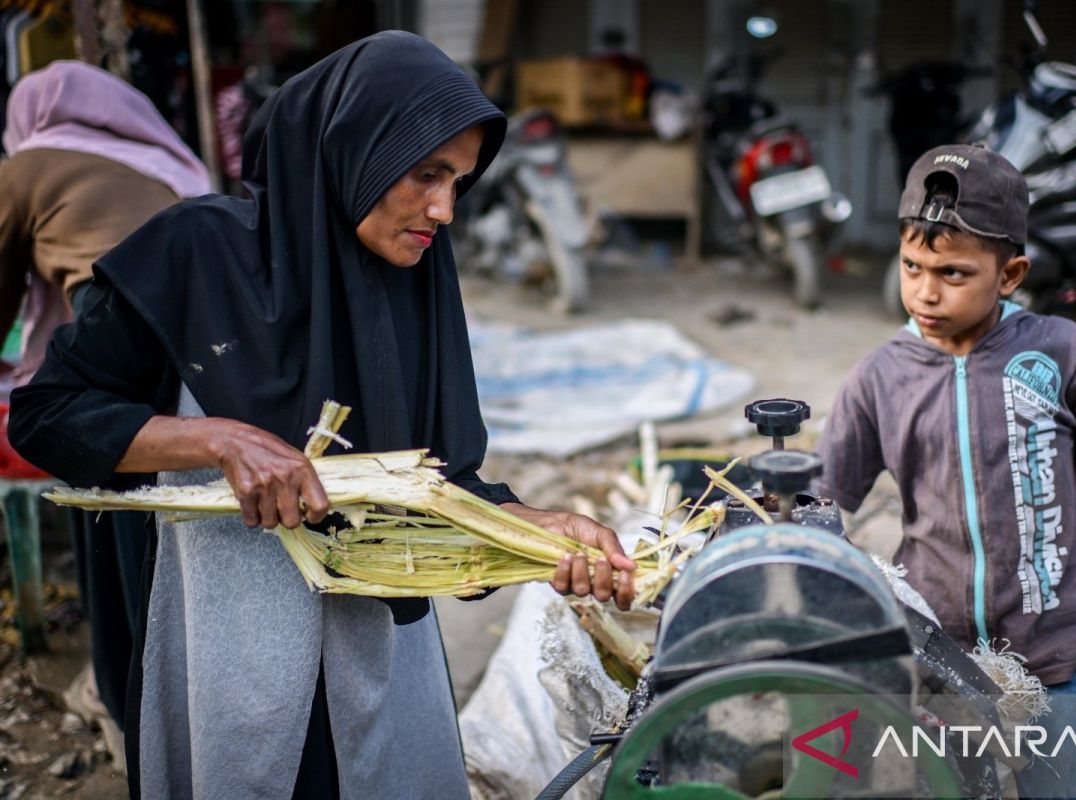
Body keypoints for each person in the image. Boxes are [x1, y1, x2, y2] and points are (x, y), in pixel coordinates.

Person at [9, 33, 633, 800]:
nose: (444, 209)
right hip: (225, 651)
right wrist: (217, 439)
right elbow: (48, 414)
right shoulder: (195, 254)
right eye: (426, 175)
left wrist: (532, 531)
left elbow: (439, 484)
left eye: (459, 183)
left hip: (379, 655)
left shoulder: (414, 283)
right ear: (350, 151)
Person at [814, 143, 1076, 799]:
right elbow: (823, 497)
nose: (925, 290)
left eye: (953, 273)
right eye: (911, 266)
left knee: (1059, 791)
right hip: (938, 652)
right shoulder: (880, 375)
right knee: (945, 786)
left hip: (1055, 644)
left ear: (1009, 274)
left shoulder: (1061, 350)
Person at [0, 59, 210, 761]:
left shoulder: (28, 164)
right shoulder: (169, 160)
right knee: (175, 513)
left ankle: (126, 703)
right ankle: (182, 693)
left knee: (106, 507)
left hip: (114, 342)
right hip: (209, 343)